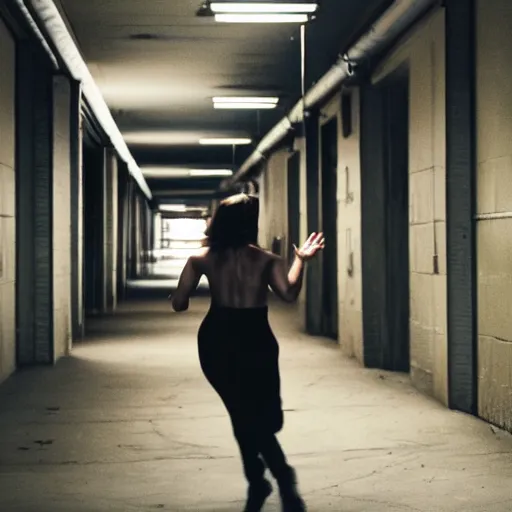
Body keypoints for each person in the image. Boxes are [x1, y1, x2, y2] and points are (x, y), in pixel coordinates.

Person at [170, 193, 324, 512]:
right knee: (257, 415)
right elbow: (289, 294)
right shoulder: (267, 260)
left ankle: (258, 479)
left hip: (217, 338)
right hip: (256, 337)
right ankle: (283, 479)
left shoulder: (201, 259)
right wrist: (301, 260)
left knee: (242, 413)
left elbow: (179, 303)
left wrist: (185, 287)